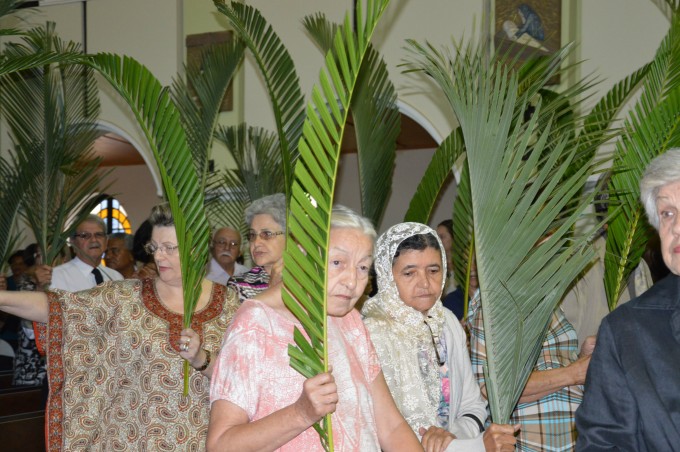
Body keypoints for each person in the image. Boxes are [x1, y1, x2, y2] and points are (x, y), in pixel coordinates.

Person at [0, 203, 240, 450]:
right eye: (154, 247)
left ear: (196, 249)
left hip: (205, 440)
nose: (158, 256)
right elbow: (57, 307)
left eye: (169, 248)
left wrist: (202, 359)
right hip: (134, 441)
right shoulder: (125, 297)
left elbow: (240, 379)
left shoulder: (229, 303)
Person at [208, 205, 423, 451]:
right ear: (304, 255)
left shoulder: (350, 321)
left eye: (362, 267)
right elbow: (221, 444)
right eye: (338, 262)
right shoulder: (255, 324)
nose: (352, 281)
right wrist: (300, 413)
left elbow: (391, 427)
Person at [362, 223, 517, 452]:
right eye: (409, 273)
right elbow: (379, 427)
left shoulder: (446, 322)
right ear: (387, 275)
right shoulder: (371, 333)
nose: (425, 283)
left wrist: (451, 438)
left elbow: (473, 405)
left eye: (433, 271)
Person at [575, 149, 680, 450]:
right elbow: (603, 441)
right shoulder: (627, 332)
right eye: (667, 213)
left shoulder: (641, 268)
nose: (676, 227)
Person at [467, 287, 596, 450]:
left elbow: (554, 370)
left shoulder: (545, 294)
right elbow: (492, 389)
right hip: (530, 442)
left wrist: (583, 360)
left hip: (572, 438)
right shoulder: (494, 302)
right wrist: (572, 373)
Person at [228, 193, 286, 300]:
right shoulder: (239, 286)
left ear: (290, 238)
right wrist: (272, 288)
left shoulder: (315, 280)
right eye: (252, 235)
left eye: (267, 234)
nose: (256, 242)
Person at [47, 215, 124, 291]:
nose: (94, 240)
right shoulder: (56, 277)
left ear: (106, 241)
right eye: (85, 235)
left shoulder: (116, 277)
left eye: (99, 235)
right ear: (72, 242)